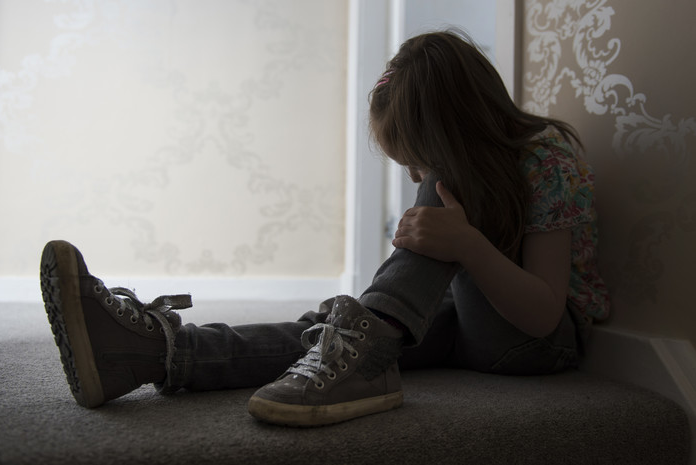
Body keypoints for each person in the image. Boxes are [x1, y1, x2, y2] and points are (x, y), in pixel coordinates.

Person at [39, 29, 610, 427]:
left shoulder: (545, 157)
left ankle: (366, 340)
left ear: (459, 133)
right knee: (329, 337)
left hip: (536, 347)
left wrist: (463, 241)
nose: (413, 174)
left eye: (418, 158)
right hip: (468, 321)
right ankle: (149, 354)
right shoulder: (472, 171)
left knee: (431, 214)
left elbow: (541, 316)